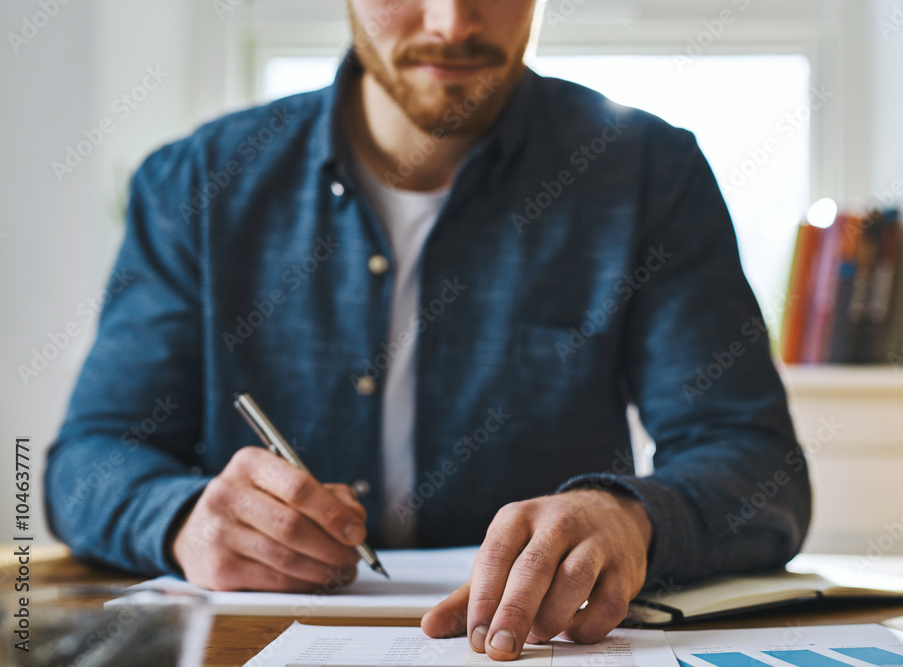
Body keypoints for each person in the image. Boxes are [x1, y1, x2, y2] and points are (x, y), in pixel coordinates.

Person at [45, 0, 811, 660]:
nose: (453, 24)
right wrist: (180, 519)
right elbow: (87, 459)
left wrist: (631, 518)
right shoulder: (194, 186)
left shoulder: (649, 175)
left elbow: (757, 465)